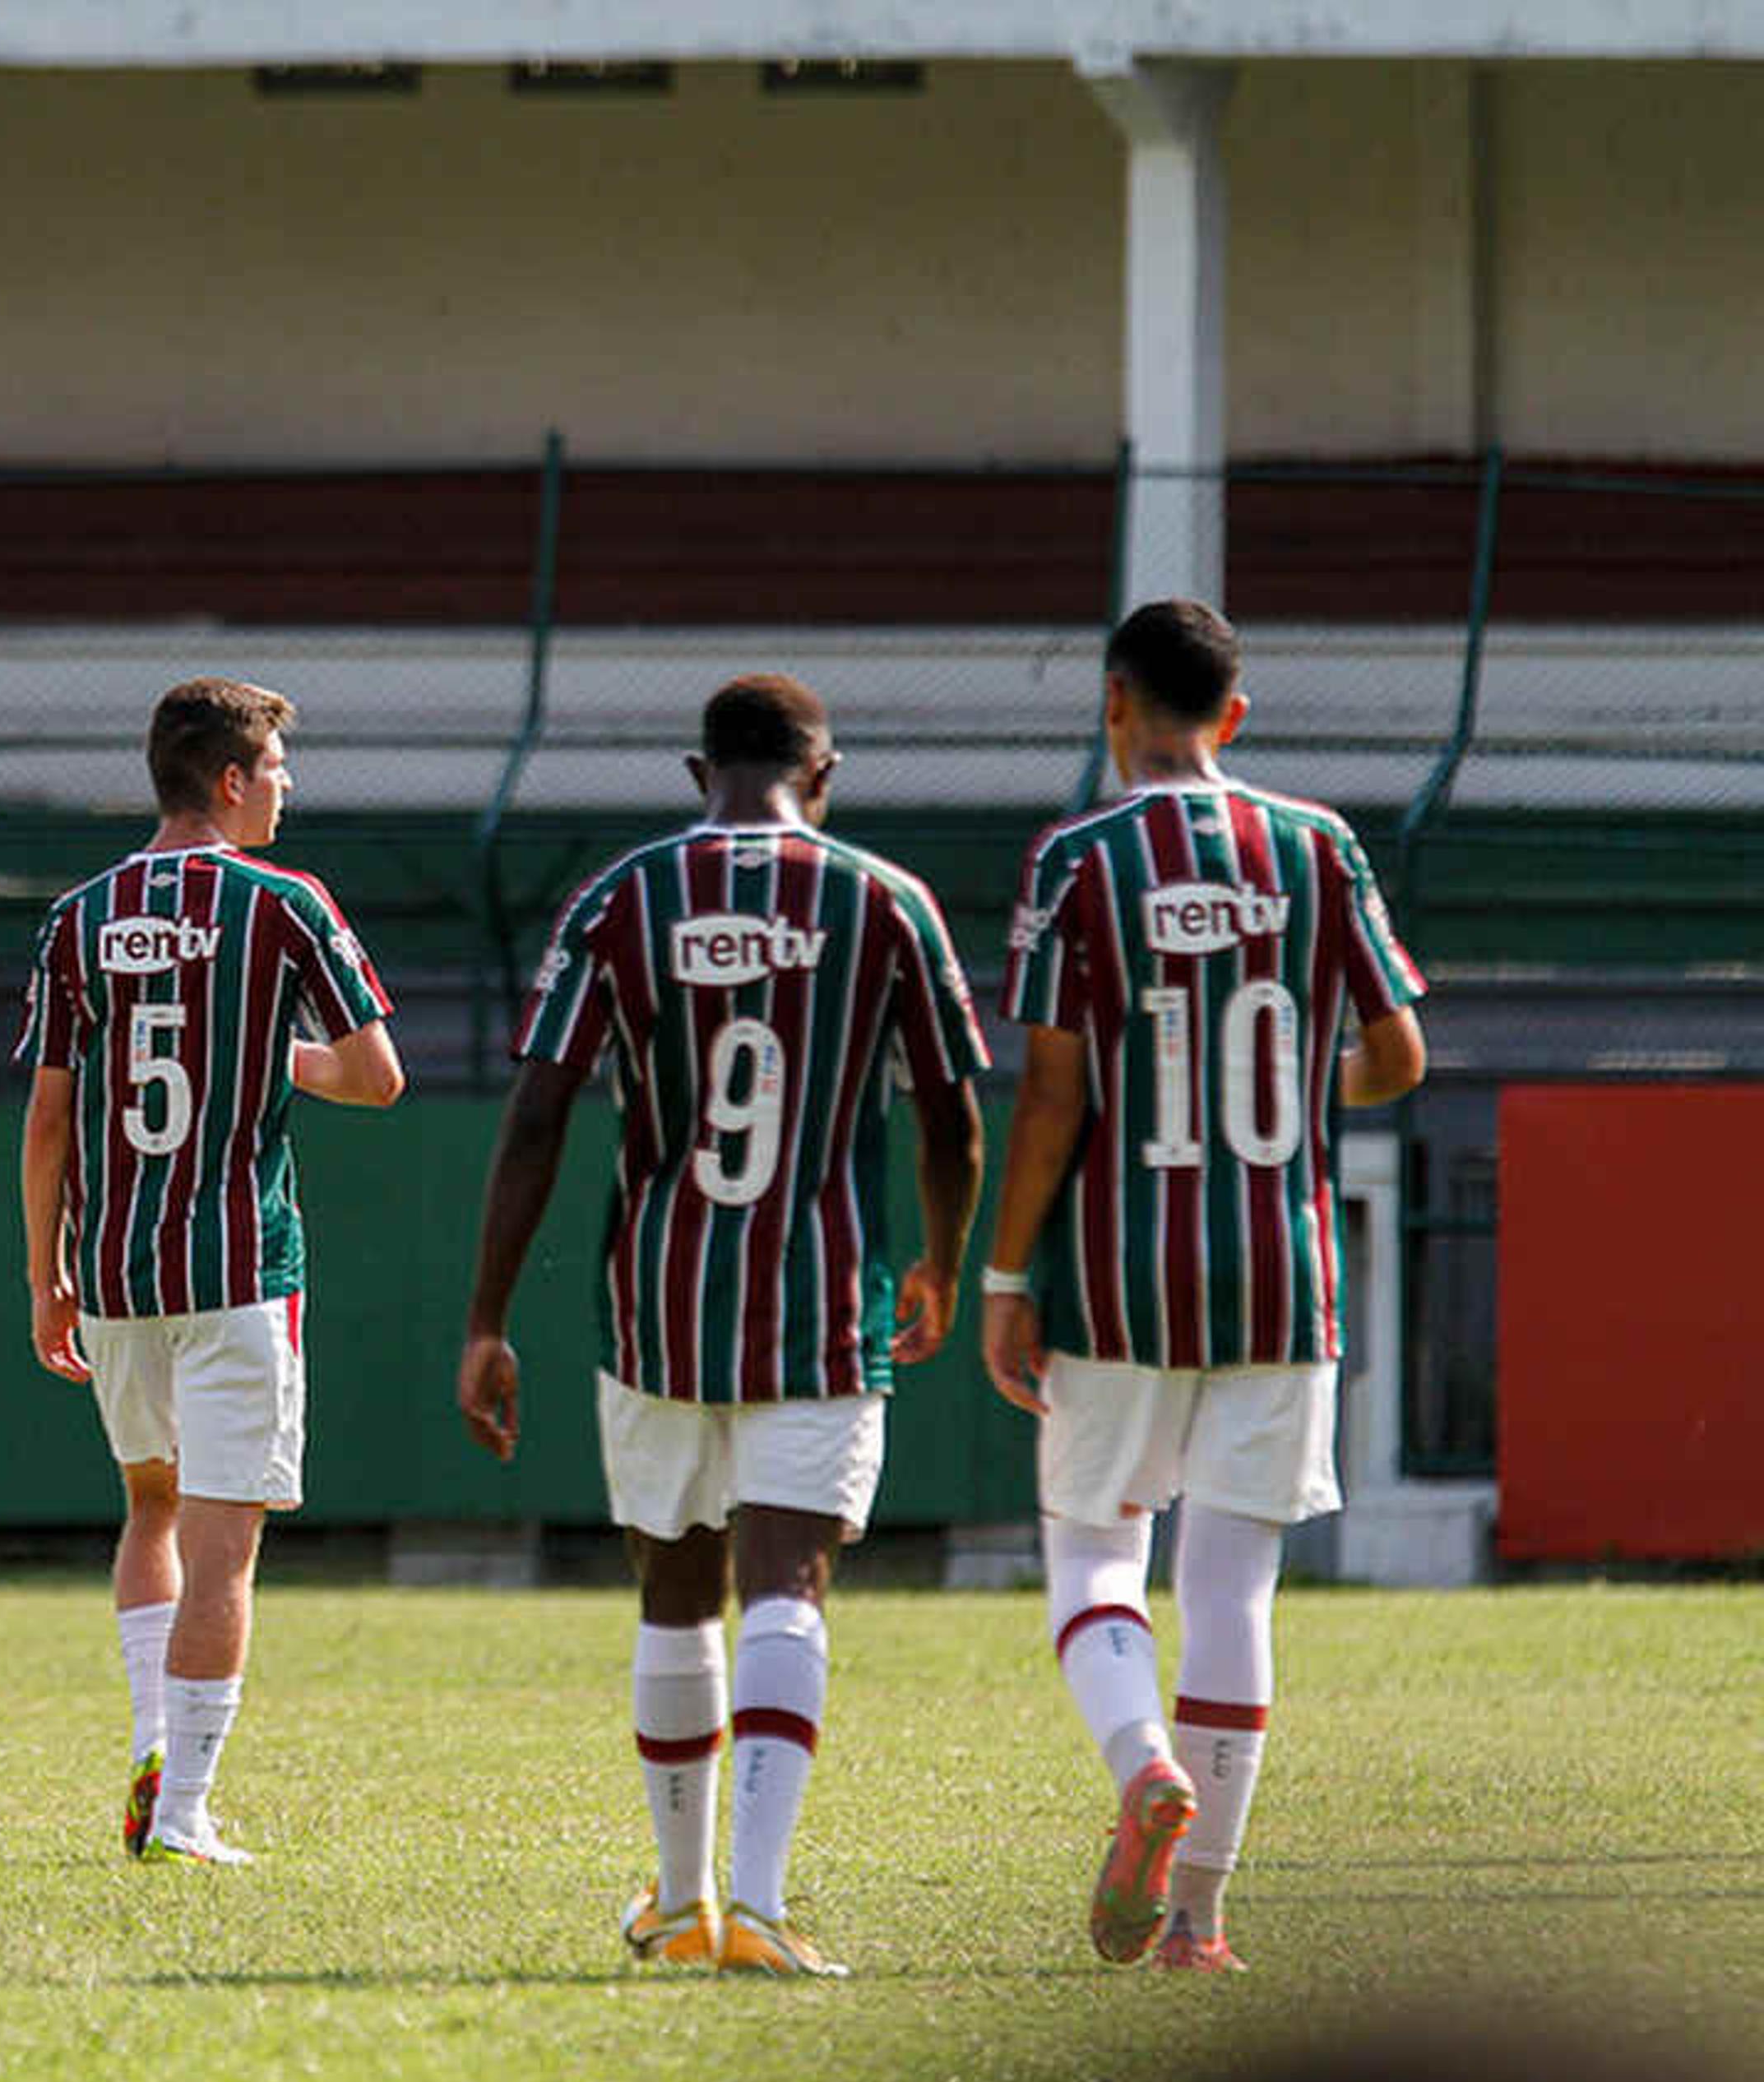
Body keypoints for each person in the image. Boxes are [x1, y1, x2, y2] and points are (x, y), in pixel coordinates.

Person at [458, 673, 985, 1977]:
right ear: (827, 771)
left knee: (677, 1595)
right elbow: (953, 1118)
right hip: (820, 1302)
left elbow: (537, 1110)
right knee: (790, 1588)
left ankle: (682, 1902)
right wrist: (943, 1264)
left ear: (699, 774)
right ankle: (756, 1901)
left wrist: (486, 1316)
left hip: (657, 1311)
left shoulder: (622, 897)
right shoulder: (883, 899)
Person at [979, 599, 1427, 1973]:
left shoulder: (1078, 858)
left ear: (1112, 702)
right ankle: (1201, 1917)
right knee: (1235, 1583)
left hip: (1120, 1273)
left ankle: (1140, 1762)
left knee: (1097, 1556)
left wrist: (1008, 1271)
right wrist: (1300, 1089)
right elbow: (1400, 1050)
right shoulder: (1318, 844)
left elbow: (1052, 1094)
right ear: (1234, 716)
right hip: (1281, 1273)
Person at [17, 677, 405, 1867]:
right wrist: (270, 1055)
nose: (286, 785)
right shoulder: (283, 903)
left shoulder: (79, 915)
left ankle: (152, 1744)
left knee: (152, 1503)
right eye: (277, 766)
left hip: (122, 1270)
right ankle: (182, 1807)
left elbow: (47, 1116)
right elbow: (378, 1073)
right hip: (240, 1267)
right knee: (227, 1541)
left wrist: (48, 1275)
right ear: (230, 780)